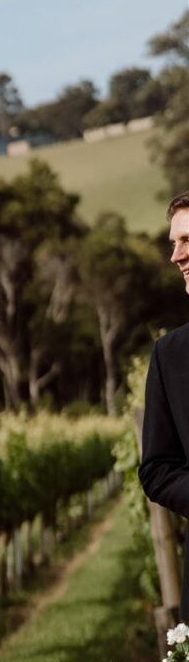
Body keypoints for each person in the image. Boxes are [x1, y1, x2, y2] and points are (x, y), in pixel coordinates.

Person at [139, 191, 189, 618]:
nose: (176, 256)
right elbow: (157, 468)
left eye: (186, 241)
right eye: (174, 243)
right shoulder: (169, 355)